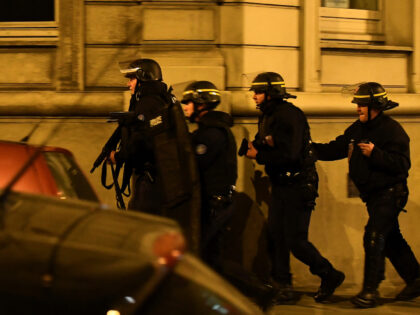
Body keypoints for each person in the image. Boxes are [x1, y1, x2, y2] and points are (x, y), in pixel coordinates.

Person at [312, 82, 420, 308]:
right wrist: (310, 150)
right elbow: (337, 147)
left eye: (362, 105)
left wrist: (376, 153)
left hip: (390, 194)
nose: (357, 109)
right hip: (373, 195)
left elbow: (402, 165)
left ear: (375, 107)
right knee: (391, 240)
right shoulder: (358, 128)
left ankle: (370, 292)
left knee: (373, 236)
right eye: (358, 105)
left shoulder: (392, 130)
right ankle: (416, 279)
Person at [243, 72, 345, 304]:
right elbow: (268, 141)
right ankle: (283, 285)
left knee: (296, 241)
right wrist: (255, 146)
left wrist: (259, 155)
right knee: (275, 236)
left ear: (270, 94)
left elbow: (290, 154)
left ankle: (329, 274)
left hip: (299, 184)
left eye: (258, 92)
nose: (254, 96)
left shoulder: (289, 116)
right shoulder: (267, 115)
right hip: (282, 183)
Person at [181, 80, 237, 266]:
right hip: (216, 202)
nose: (186, 108)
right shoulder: (210, 130)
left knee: (207, 256)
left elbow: (195, 163)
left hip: (215, 204)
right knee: (211, 256)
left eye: (188, 103)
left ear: (201, 104)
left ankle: (260, 292)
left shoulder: (211, 134)